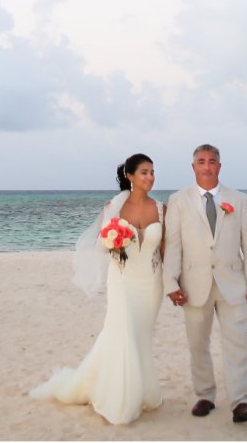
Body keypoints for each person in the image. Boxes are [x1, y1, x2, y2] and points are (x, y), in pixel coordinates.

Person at [29, 154, 165, 425]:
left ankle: (138, 389)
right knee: (122, 332)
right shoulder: (112, 208)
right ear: (129, 176)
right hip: (122, 281)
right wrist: (114, 242)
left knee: (140, 336)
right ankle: (120, 399)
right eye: (144, 172)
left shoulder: (162, 209)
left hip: (151, 282)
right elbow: (100, 245)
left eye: (152, 172)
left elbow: (165, 250)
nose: (149, 177)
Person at [164, 143, 247, 423]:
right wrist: (170, 282)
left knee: (237, 343)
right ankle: (205, 395)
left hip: (233, 283)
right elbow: (172, 245)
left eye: (212, 161)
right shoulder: (178, 200)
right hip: (193, 284)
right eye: (201, 161)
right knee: (198, 344)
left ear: (219, 166)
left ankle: (241, 401)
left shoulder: (239, 199)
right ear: (193, 166)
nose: (207, 166)